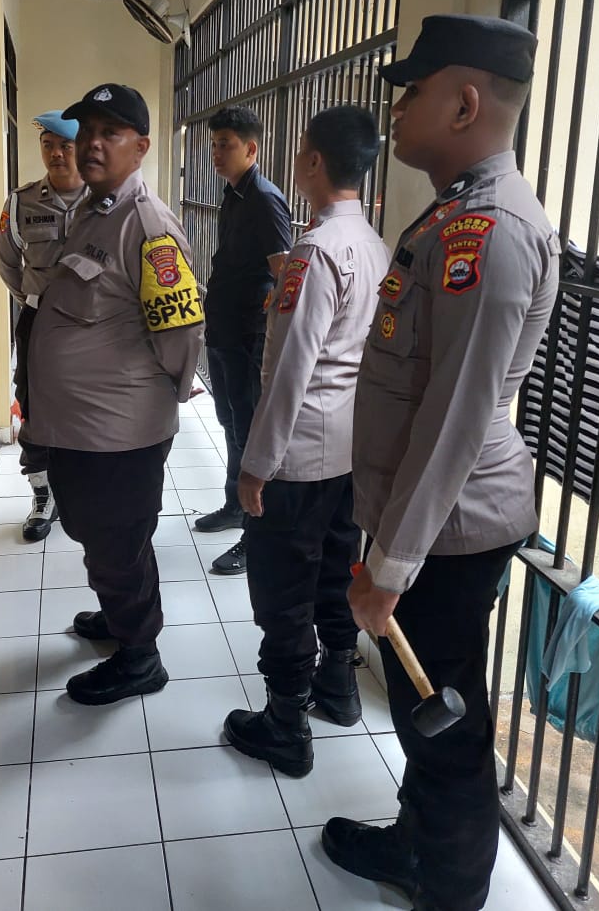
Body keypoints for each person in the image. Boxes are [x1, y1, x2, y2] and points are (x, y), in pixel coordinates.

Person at [321, 15, 561, 911]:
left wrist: (389, 565)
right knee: (423, 711)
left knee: (445, 722)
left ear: (463, 104)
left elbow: (456, 417)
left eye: (411, 92)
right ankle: (415, 844)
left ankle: (451, 889)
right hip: (428, 519)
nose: (394, 110)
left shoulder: (487, 231)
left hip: (450, 529)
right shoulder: (455, 210)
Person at [223, 106, 391, 778]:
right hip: (349, 449)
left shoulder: (315, 251)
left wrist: (255, 466)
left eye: (298, 151)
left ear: (314, 162)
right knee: (333, 571)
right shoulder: (374, 244)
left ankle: (285, 723)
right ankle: (339, 687)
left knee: (283, 589)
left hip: (299, 455)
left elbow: (290, 368)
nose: (295, 161)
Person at [24, 84, 203, 705]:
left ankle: (139, 656)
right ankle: (118, 612)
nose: (92, 144)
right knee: (100, 534)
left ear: (141, 147)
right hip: (82, 427)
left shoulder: (147, 226)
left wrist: (158, 400)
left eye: (111, 133)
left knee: (118, 540)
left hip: (118, 433)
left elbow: (182, 332)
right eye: (88, 131)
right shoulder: (96, 211)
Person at [194, 106, 292, 575]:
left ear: (251, 148)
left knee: (251, 431)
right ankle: (235, 506)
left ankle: (257, 535)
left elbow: (283, 274)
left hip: (249, 335)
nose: (217, 153)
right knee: (230, 422)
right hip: (225, 329)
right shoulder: (233, 194)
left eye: (226, 145)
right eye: (214, 144)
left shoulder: (265, 199)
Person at [0, 111, 88, 542]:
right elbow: (8, 261)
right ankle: (42, 496)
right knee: (33, 404)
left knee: (91, 406)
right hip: (39, 320)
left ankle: (84, 492)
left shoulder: (106, 200)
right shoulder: (22, 201)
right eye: (48, 145)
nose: (56, 154)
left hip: (93, 324)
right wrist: (34, 301)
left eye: (65, 146)